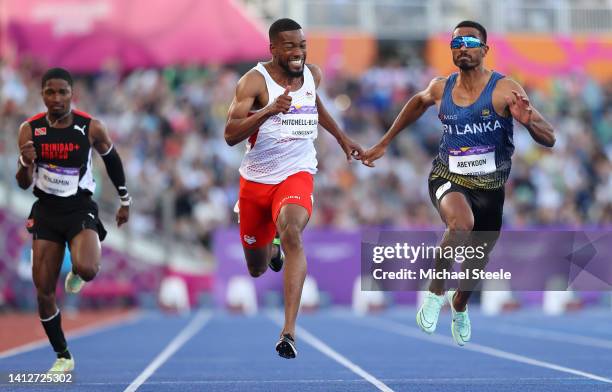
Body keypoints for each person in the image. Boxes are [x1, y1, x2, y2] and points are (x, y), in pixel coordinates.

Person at [361, 21, 555, 346]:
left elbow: (549, 138)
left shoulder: (505, 89)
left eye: (469, 41)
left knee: (476, 262)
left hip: (490, 188)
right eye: (456, 42)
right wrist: (384, 142)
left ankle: (459, 305)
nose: (462, 47)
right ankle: (435, 293)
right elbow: (417, 102)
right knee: (460, 224)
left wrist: (530, 122)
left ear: (485, 49)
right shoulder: (441, 88)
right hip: (447, 176)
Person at [224, 18, 362, 358]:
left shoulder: (312, 75)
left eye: (301, 45)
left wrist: (343, 139)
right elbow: (230, 134)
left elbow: (314, 105)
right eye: (289, 46)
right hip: (255, 182)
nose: (298, 52)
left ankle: (288, 332)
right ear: (273, 49)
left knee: (292, 231)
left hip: (296, 173)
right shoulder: (253, 81)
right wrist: (269, 110)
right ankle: (271, 247)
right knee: (257, 267)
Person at [15, 67, 131, 371]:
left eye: (62, 92)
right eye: (50, 92)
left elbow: (112, 159)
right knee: (43, 292)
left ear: (71, 94)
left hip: (79, 208)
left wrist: (124, 199)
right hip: (46, 212)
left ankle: (77, 275)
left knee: (88, 268)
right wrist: (26, 163)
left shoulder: (90, 127)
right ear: (42, 95)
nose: (56, 98)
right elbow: (23, 182)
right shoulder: (30, 130)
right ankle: (63, 356)